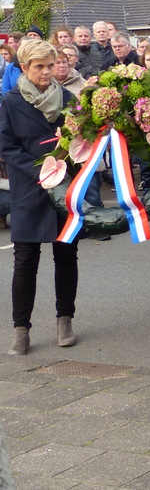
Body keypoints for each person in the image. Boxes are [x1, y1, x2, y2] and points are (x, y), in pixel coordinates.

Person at [0, 40, 78, 355]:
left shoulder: (68, 99)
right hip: (29, 188)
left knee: (67, 257)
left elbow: (82, 140)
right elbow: (6, 146)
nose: (46, 72)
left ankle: (65, 320)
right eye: (39, 67)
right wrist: (40, 171)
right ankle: (21, 329)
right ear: (25, 68)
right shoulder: (11, 100)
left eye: (50, 65)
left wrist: (71, 155)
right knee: (25, 261)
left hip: (63, 189)